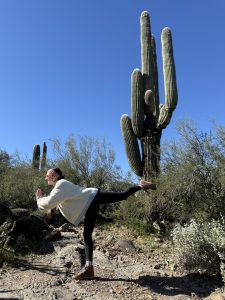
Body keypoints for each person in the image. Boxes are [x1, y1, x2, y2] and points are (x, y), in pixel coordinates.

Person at [35, 168, 156, 280]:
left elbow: (49, 202)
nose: (46, 178)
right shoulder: (59, 187)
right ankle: (89, 269)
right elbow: (54, 203)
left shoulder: (61, 184)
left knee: (123, 195)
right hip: (89, 205)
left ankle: (141, 185)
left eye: (47, 175)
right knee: (86, 235)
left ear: (53, 175)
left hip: (93, 197)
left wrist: (39, 199)